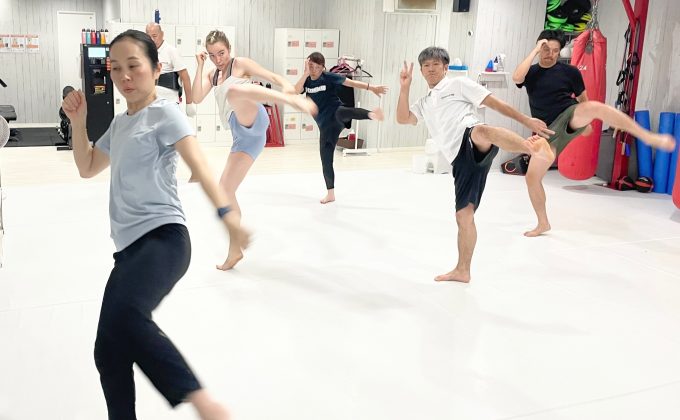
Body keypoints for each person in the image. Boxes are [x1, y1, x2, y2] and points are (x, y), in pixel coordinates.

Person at [62, 29, 246, 420]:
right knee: (108, 349)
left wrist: (229, 220)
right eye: (116, 68)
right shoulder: (121, 122)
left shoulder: (166, 112)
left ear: (156, 68)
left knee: (128, 318)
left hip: (163, 240)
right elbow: (87, 166)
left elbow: (201, 167)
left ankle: (205, 405)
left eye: (134, 66)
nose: (124, 76)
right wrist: (78, 122)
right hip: (128, 252)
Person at [396, 46, 555, 283]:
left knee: (481, 131)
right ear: (421, 70)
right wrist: (404, 88)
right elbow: (402, 119)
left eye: (436, 65)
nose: (431, 69)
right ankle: (463, 270)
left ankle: (532, 148)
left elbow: (495, 104)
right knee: (464, 216)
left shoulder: (458, 84)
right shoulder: (424, 102)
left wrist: (525, 119)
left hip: (469, 137)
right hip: (460, 161)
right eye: (426, 66)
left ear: (445, 67)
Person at [513, 29, 676, 237]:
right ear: (539, 47)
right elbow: (517, 77)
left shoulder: (570, 72)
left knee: (595, 107)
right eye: (546, 49)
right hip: (545, 131)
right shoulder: (531, 72)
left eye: (555, 51)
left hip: (569, 114)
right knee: (532, 178)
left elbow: (584, 100)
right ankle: (543, 223)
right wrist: (536, 49)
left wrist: (585, 120)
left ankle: (647, 136)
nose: (550, 54)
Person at [191, 30, 317, 270]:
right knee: (224, 192)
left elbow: (271, 75)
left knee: (235, 91)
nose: (218, 59)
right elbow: (196, 97)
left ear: (229, 48)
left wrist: (289, 88)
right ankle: (234, 249)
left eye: (221, 53)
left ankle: (293, 103)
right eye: (212, 55)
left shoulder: (240, 65)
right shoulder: (212, 73)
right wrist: (199, 66)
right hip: (244, 138)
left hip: (255, 119)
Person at [294, 52, 388, 204]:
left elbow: (351, 83)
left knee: (343, 111)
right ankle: (330, 194)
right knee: (325, 160)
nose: (313, 69)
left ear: (323, 67)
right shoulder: (306, 82)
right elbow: (295, 90)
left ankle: (372, 115)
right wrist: (305, 73)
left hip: (336, 115)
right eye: (311, 66)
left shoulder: (329, 77)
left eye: (317, 67)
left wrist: (371, 88)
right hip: (324, 127)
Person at [145, 23, 196, 116]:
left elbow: (185, 77)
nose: (151, 39)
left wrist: (189, 103)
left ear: (162, 34)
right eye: (148, 37)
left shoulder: (171, 51)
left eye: (154, 36)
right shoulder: (146, 53)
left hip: (169, 103)